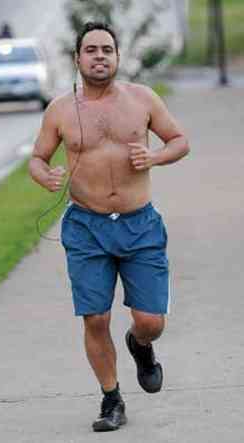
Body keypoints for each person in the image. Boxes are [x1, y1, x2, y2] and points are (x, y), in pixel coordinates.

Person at [29, 21, 189, 432]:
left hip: (140, 226)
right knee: (95, 319)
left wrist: (155, 158)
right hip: (86, 228)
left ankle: (140, 345)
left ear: (118, 57)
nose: (99, 56)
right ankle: (111, 399)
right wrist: (43, 174)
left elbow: (179, 141)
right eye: (91, 50)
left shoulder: (142, 99)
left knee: (151, 320)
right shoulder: (61, 109)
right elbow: (37, 158)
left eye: (107, 49)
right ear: (77, 58)